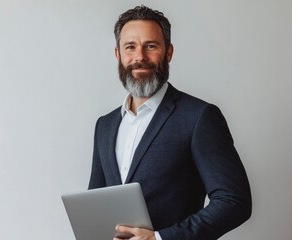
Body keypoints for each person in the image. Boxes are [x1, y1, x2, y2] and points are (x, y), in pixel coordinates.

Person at [88, 5, 252, 240]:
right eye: (130, 47)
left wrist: (160, 238)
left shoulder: (199, 117)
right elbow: (94, 203)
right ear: (118, 55)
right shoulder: (104, 126)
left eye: (151, 46)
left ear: (169, 52)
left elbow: (234, 201)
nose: (139, 57)